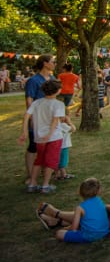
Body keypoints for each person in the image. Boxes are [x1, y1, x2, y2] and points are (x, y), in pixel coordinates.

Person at [20, 78, 65, 194]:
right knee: (51, 161)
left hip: (39, 138)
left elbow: (26, 116)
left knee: (39, 160)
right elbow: (55, 121)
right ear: (58, 91)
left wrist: (24, 131)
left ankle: (32, 183)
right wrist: (49, 135)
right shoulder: (59, 104)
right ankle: (45, 185)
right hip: (53, 137)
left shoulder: (36, 102)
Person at [36, 177, 110, 243]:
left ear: (80, 192)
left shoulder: (80, 207)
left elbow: (74, 228)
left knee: (59, 233)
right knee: (85, 220)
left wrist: (65, 229)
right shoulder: (99, 200)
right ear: (98, 191)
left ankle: (54, 220)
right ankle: (54, 220)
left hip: (90, 236)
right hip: (104, 232)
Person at [24, 54, 57, 186]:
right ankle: (31, 174)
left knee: (48, 144)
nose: (54, 63)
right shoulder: (34, 80)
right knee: (33, 146)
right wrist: (31, 117)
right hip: (38, 118)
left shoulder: (52, 78)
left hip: (50, 118)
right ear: (45, 63)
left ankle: (44, 171)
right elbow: (29, 100)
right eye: (52, 61)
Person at [57, 115, 77, 180]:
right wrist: (69, 122)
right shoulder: (63, 125)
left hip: (59, 146)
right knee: (63, 161)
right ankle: (63, 174)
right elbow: (73, 129)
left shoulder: (58, 125)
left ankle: (58, 174)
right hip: (63, 146)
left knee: (58, 159)